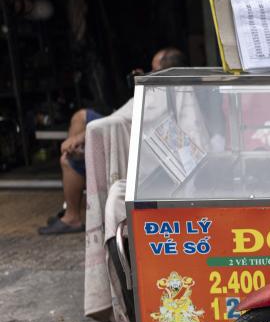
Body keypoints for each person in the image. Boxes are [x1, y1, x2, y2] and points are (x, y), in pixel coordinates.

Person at [39, 47, 185, 234]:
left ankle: (72, 216)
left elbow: (118, 120)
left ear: (163, 71)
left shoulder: (162, 95)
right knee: (81, 116)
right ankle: (77, 169)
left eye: (153, 69)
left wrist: (80, 138)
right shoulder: (158, 91)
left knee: (67, 160)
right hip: (123, 125)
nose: (148, 73)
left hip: (135, 147)